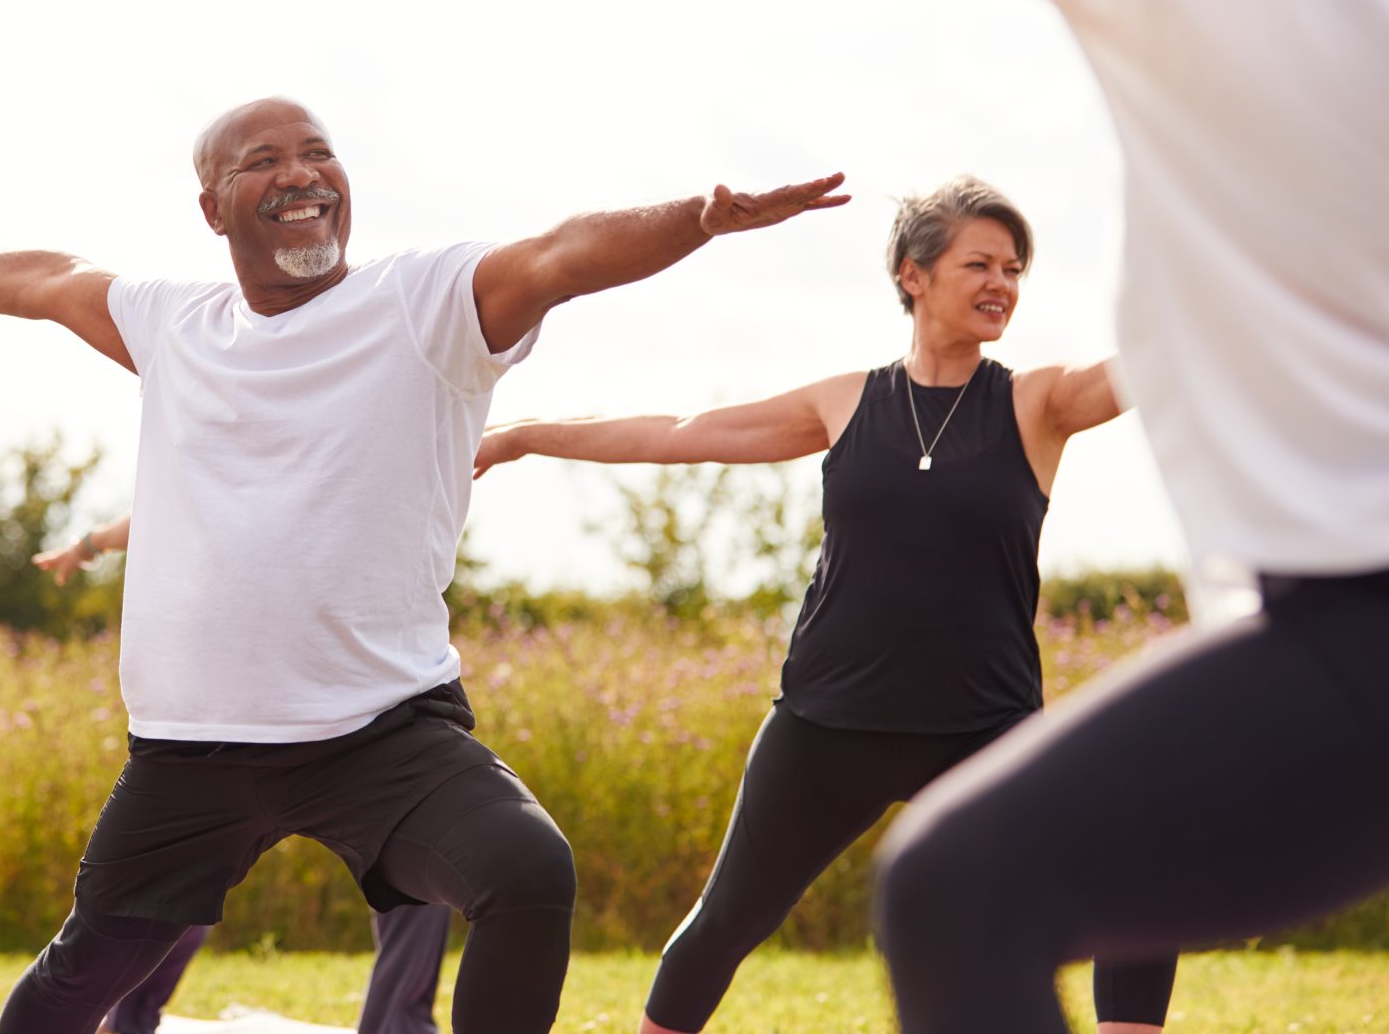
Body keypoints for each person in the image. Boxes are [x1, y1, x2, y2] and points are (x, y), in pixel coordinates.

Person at [0, 95, 846, 1034]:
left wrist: (700, 220)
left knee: (527, 871)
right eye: (262, 161)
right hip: (192, 748)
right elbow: (38, 279)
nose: (300, 173)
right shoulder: (174, 324)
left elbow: (562, 255)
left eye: (318, 153)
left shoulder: (427, 306)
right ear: (213, 208)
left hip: (382, 734)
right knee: (86, 972)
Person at [474, 175, 1177, 1034]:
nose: (1003, 284)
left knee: (1136, 874)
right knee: (726, 922)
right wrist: (526, 437)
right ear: (913, 275)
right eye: (980, 263)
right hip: (828, 724)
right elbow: (684, 433)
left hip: (985, 728)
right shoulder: (846, 404)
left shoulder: (1038, 403)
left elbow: (1157, 360)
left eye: (1015, 268)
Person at [869, 0, 1389, 1033]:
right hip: (1334, 620)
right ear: (914, 275)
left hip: (1357, 607)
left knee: (959, 892)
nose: (999, 284)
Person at [38, 515, 454, 1034]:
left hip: (351, 725)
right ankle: (127, 1019)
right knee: (172, 892)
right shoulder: (248, 488)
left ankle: (398, 1025)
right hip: (235, 726)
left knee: (418, 873)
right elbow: (172, 510)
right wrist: (89, 544)